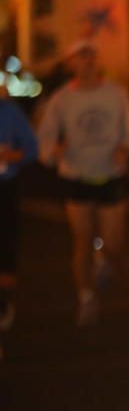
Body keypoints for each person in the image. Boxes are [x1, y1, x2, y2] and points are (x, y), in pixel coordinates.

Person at [37, 41, 129, 327]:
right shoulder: (61, 99)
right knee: (82, 239)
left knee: (114, 243)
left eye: (92, 55)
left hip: (110, 175)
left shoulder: (116, 93)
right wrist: (53, 152)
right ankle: (86, 296)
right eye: (81, 56)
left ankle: (103, 258)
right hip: (76, 176)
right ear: (71, 63)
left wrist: (124, 149)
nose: (88, 60)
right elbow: (45, 137)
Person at [0, 79, 39, 350]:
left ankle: (3, 303)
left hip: (5, 187)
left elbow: (32, 148)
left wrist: (13, 155)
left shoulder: (9, 111)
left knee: (5, 246)